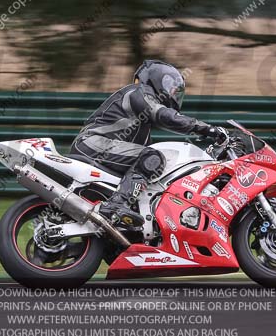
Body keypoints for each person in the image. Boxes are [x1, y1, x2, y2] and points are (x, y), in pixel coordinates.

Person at [70, 60, 226, 228]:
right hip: (93, 143)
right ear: (156, 79)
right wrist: (206, 129)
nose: (174, 92)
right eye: (171, 86)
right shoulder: (137, 92)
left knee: (152, 162)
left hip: (100, 148)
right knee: (152, 157)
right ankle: (116, 205)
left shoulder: (142, 127)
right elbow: (164, 115)